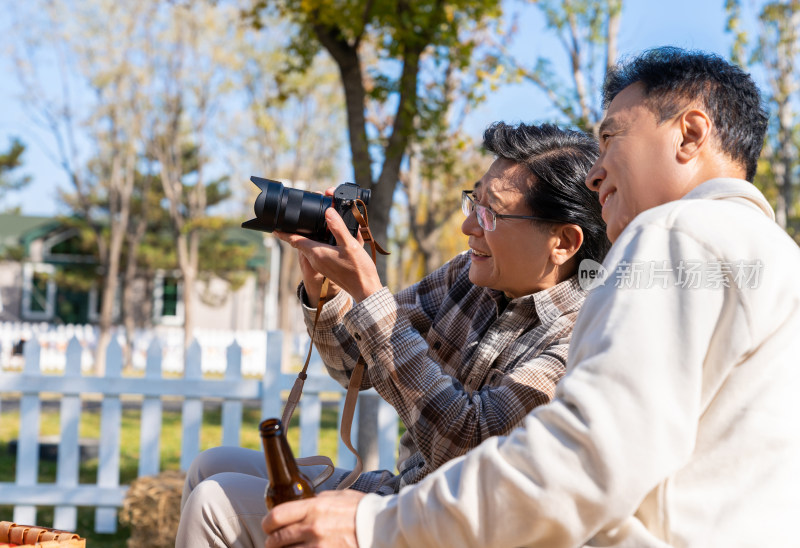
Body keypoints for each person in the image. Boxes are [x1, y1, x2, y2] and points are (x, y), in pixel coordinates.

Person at [261, 47, 800, 547]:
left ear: (690, 134)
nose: (595, 173)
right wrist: (329, 288)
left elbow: (583, 462)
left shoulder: (672, 236)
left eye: (612, 138)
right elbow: (362, 356)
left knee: (221, 499)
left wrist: (374, 525)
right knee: (218, 469)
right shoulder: (774, 258)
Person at [175, 122, 610, 546]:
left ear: (564, 243)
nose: (469, 227)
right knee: (210, 465)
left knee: (217, 503)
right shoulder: (467, 276)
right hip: (406, 493)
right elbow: (353, 367)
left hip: (455, 527)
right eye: (472, 203)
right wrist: (325, 289)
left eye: (490, 214)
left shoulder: (585, 331)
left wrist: (368, 292)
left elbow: (467, 445)